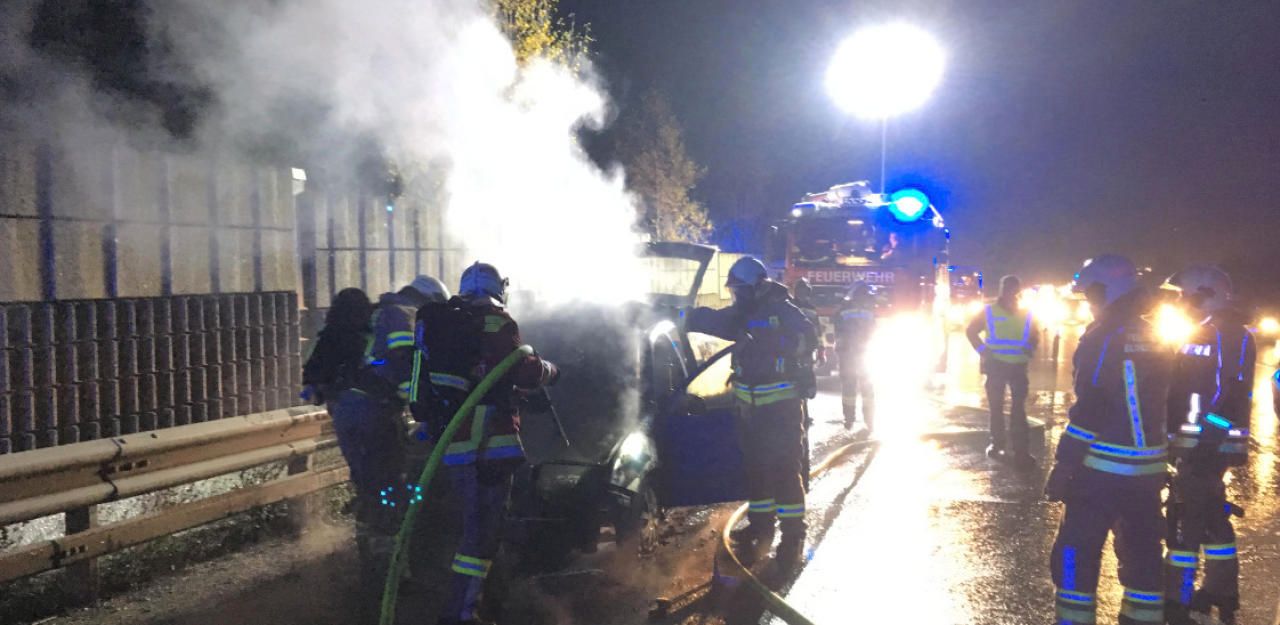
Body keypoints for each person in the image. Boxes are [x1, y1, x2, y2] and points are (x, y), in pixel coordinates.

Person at [425, 263, 559, 625]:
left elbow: (482, 380)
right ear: (498, 289)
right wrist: (551, 371)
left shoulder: (444, 323)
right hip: (489, 449)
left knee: (473, 530)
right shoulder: (496, 321)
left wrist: (511, 394)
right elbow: (524, 368)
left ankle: (476, 603)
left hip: (452, 445)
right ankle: (461, 614)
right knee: (480, 536)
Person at [1045, 255, 1172, 625]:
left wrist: (1065, 463)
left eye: (1090, 295)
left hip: (1100, 470)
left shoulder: (1103, 337)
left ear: (1104, 292)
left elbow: (1093, 406)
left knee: (1075, 553)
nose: (1088, 303)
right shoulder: (1156, 335)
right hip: (1147, 472)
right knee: (1143, 556)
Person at [325, 276, 449, 616]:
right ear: (428, 300)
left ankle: (370, 567)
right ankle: (390, 577)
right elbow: (404, 364)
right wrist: (424, 407)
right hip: (374, 412)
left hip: (347, 409)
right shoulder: (404, 313)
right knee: (392, 487)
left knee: (369, 487)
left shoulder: (377, 311)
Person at [686, 257, 816, 567]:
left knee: (785, 472)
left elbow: (808, 337)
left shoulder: (784, 311)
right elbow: (710, 320)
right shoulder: (742, 315)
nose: (737, 298)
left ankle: (793, 538)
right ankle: (761, 529)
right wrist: (680, 313)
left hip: (782, 410)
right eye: (735, 292)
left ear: (758, 287)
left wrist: (774, 339)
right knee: (757, 471)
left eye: (741, 292)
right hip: (750, 411)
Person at [1162, 266, 1255, 625]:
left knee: (1185, 523)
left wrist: (1202, 439)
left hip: (1206, 446)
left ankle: (1178, 599)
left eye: (1183, 295)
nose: (1180, 302)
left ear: (1205, 294)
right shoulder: (1210, 329)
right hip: (1204, 444)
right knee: (1213, 519)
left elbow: (1224, 394)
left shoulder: (1224, 333)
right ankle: (1221, 590)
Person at [966, 275, 1038, 467]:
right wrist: (983, 351)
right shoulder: (990, 311)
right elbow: (971, 331)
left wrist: (1030, 347)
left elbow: (1034, 335)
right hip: (1001, 366)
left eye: (1012, 289)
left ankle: (1015, 449)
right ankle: (1004, 446)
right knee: (1001, 408)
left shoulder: (1024, 314)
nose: (1010, 293)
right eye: (1008, 289)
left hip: (1013, 366)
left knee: (1013, 409)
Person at [835, 282, 876, 432]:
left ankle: (850, 419)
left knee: (850, 388)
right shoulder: (869, 311)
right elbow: (873, 330)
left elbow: (838, 331)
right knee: (865, 388)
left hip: (850, 355)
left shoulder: (843, 310)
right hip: (858, 354)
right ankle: (866, 420)